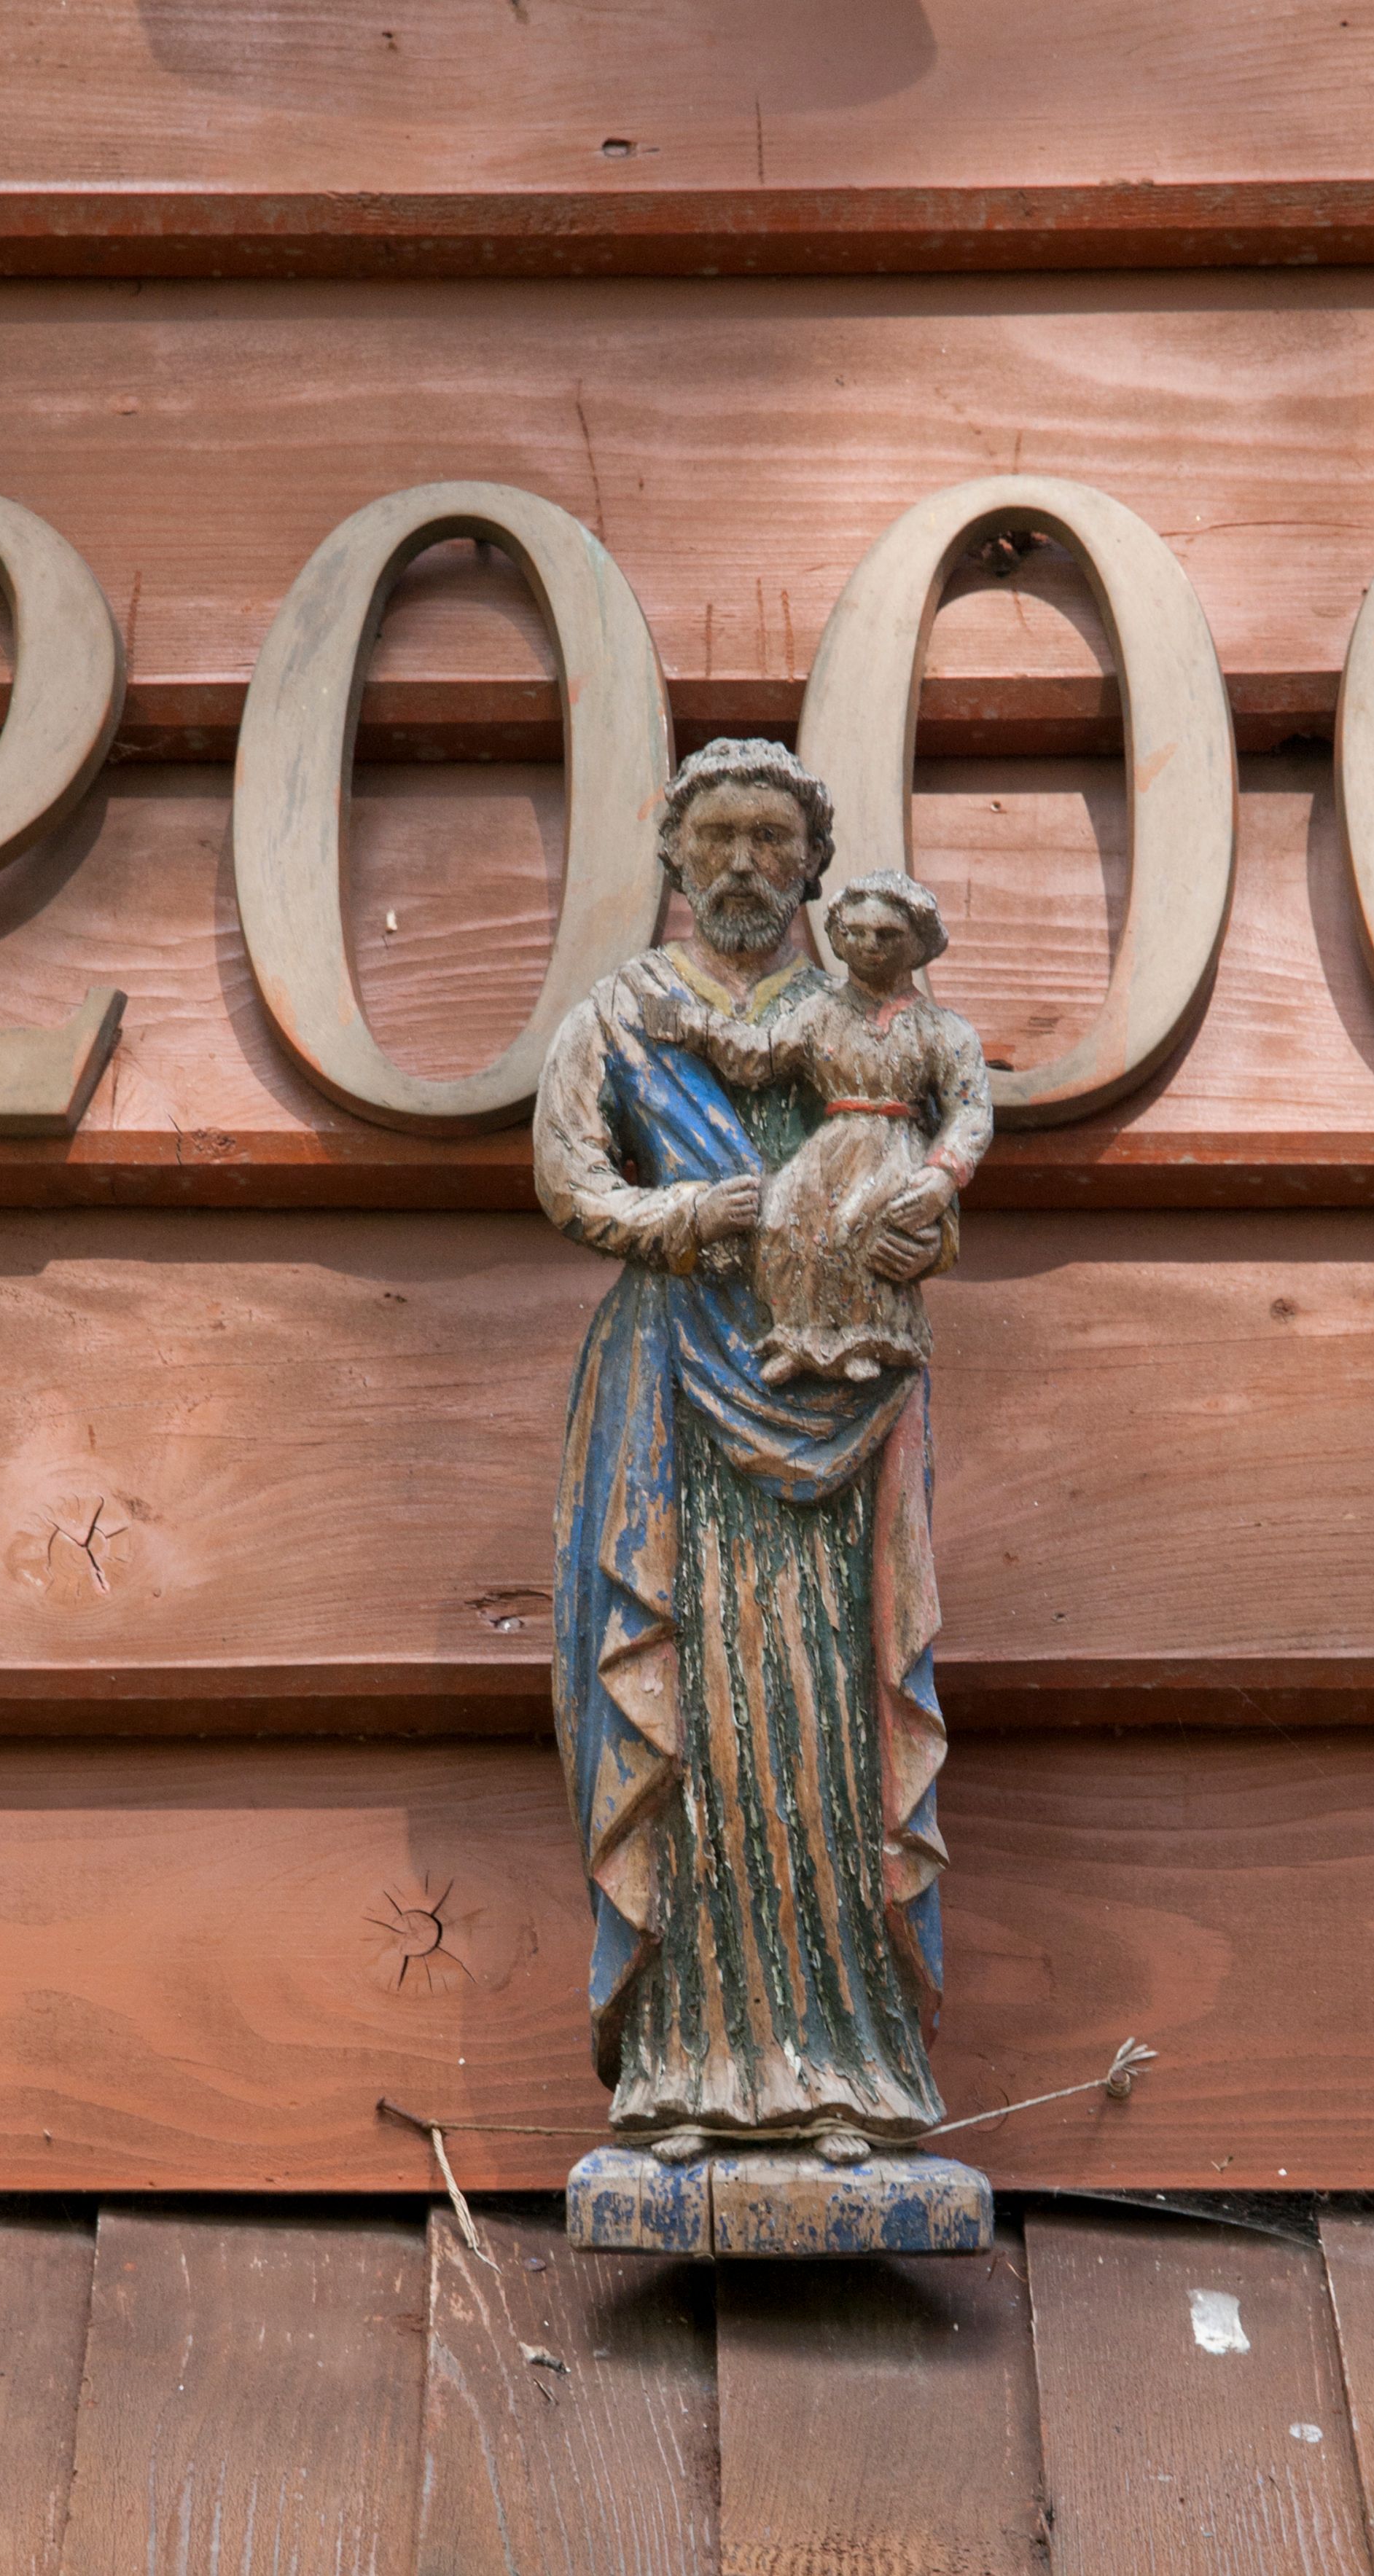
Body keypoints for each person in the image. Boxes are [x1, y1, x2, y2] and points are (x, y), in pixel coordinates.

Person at [533, 741, 966, 2166]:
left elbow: (924, 1166)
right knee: (691, 1721)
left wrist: (918, 1220)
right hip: (671, 1385)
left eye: (771, 840)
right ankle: (683, 2066)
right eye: (715, 836)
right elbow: (569, 1178)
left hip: (838, 1394)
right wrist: (680, 1217)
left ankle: (848, 2066)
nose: (740, 864)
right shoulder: (622, 1013)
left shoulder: (860, 1017)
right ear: (673, 855)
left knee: (826, 1723)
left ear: (812, 867)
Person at [639, 872, 991, 1387]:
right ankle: (797, 1337)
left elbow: (971, 1112)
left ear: (918, 943)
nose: (869, 945)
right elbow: (759, 1056)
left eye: (887, 934)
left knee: (856, 1221)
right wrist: (699, 1026)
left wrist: (942, 1176)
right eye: (855, 932)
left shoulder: (942, 1029)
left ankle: (866, 1337)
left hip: (893, 1146)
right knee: (782, 1216)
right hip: (832, 1146)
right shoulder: (821, 1013)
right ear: (838, 938)